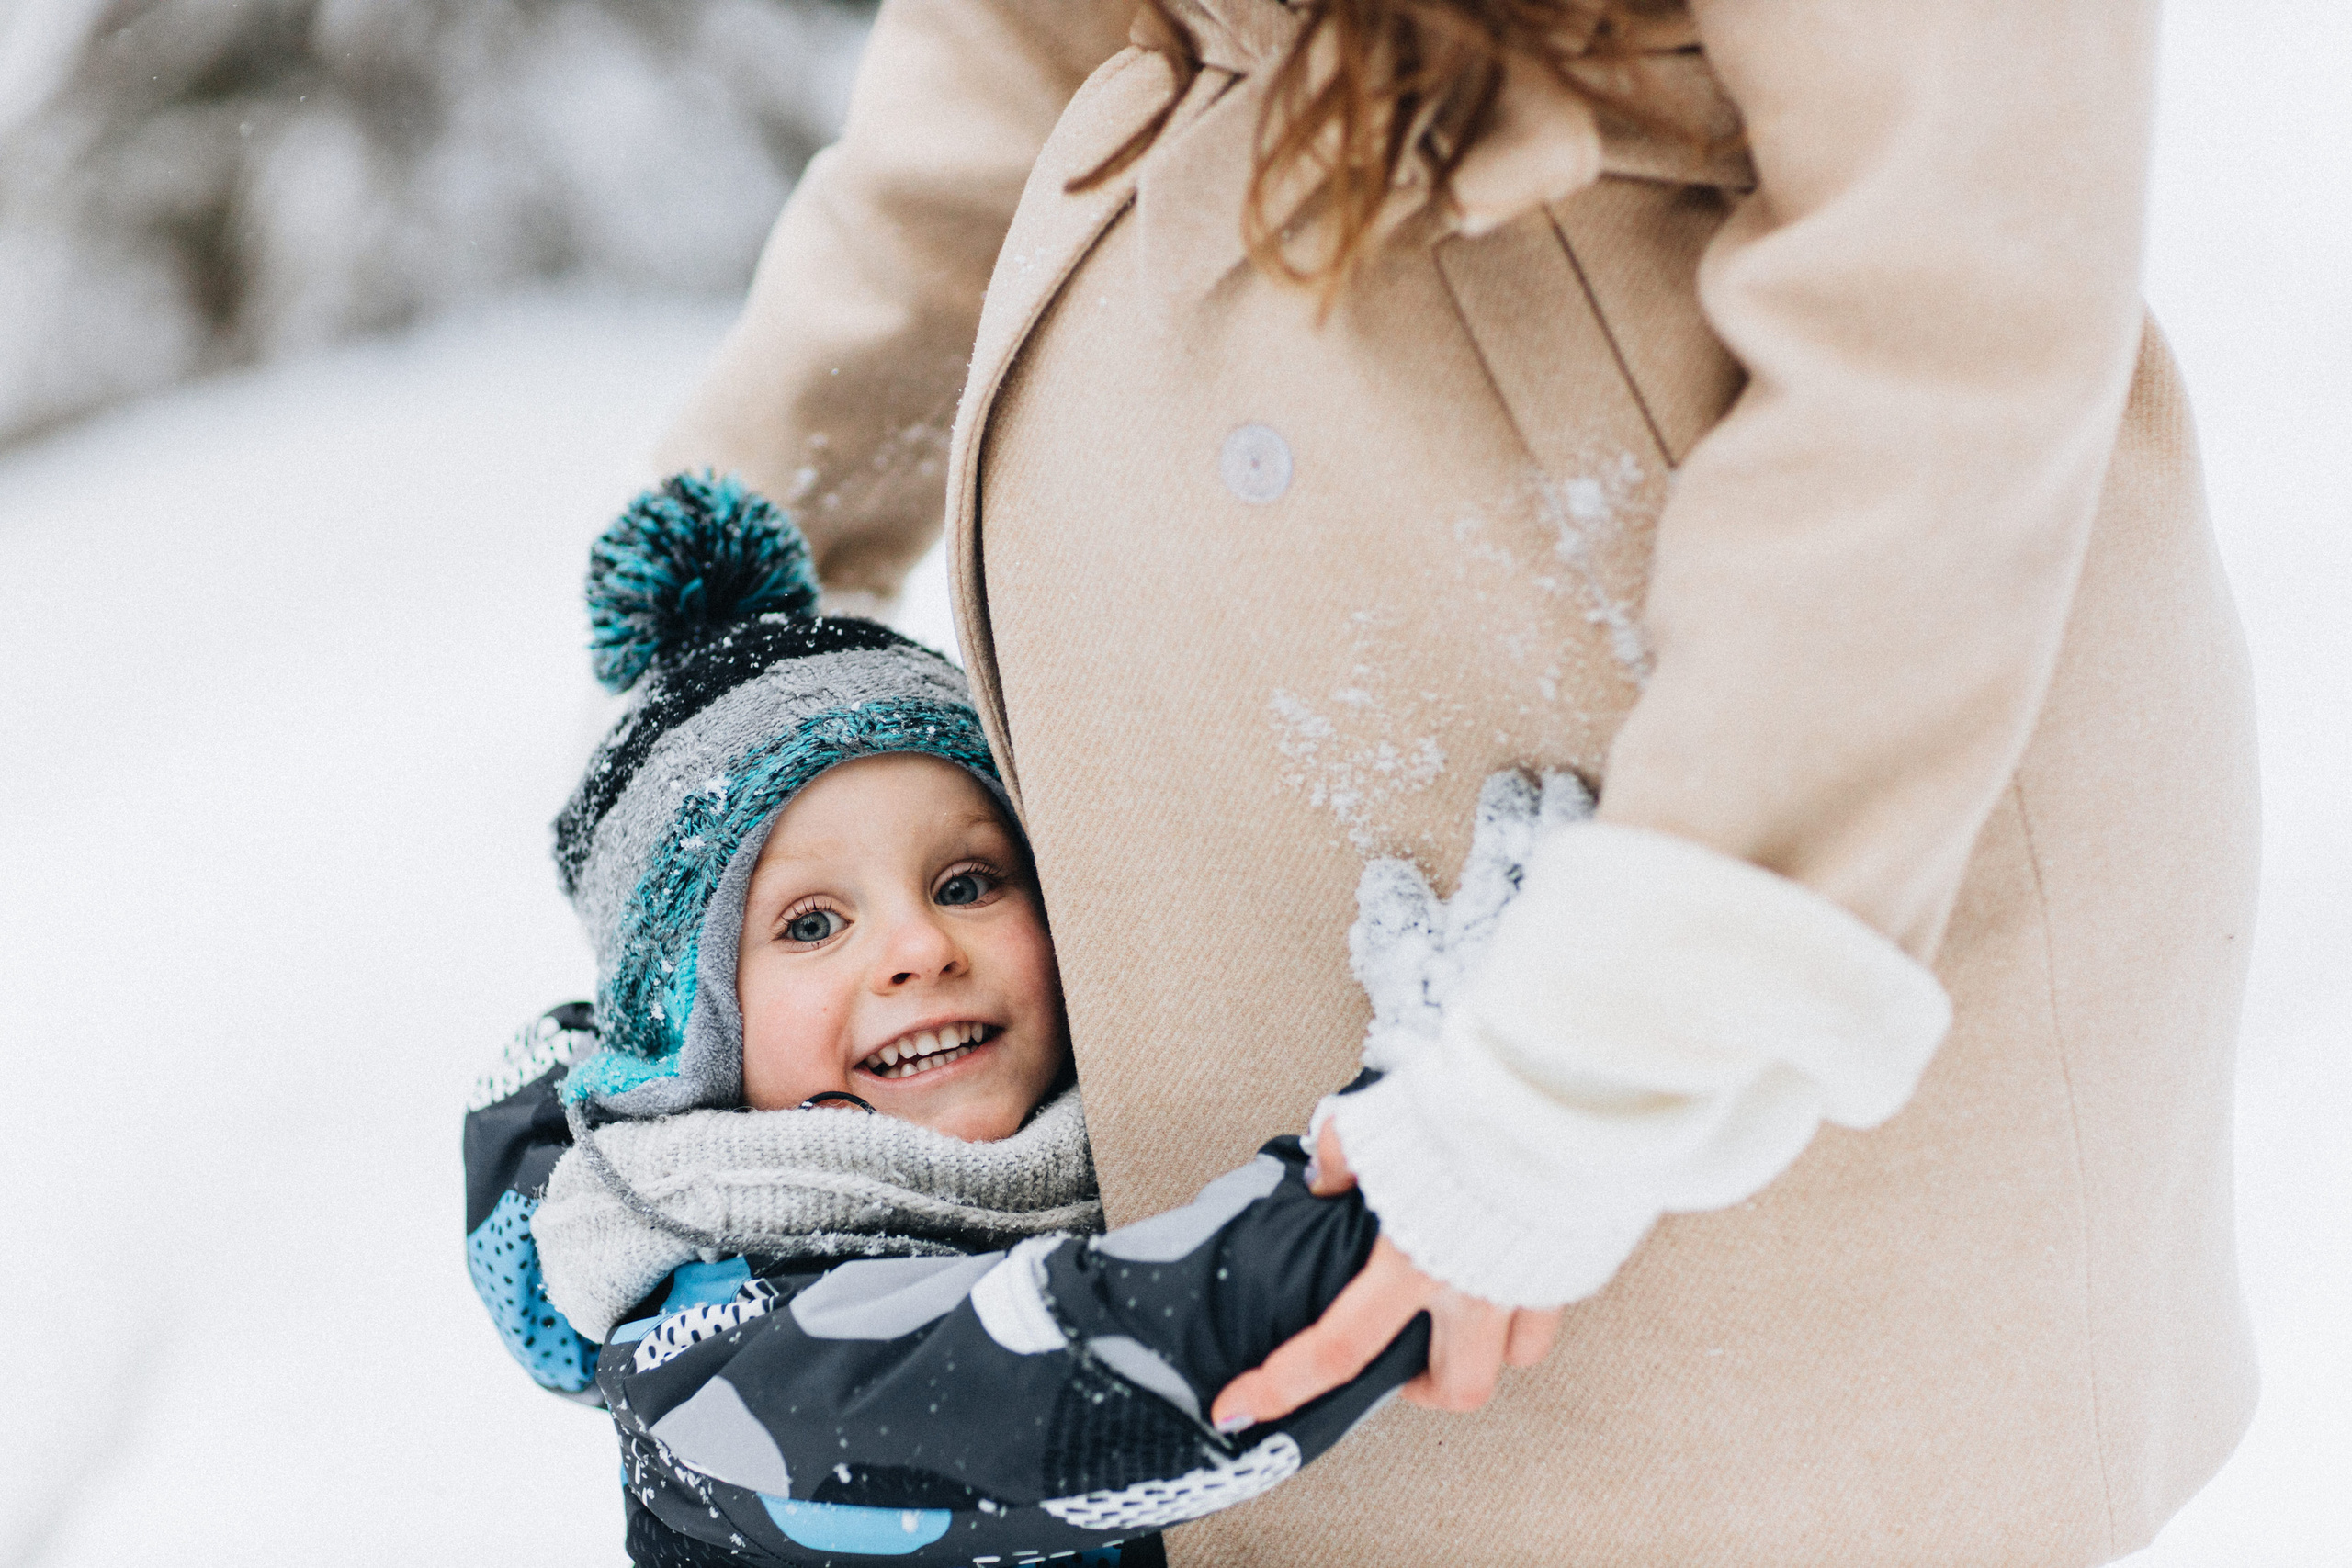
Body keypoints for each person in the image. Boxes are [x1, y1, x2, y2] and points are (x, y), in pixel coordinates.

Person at [652, 1, 2262, 1562]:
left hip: (1757, 805)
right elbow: (1012, 43)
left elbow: (1951, 265)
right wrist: (737, 548)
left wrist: (1602, 1070)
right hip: (1245, 892)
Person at [462, 476, 1445, 1567]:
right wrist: (1419, 1170)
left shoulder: (1097, 1159)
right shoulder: (709, 1343)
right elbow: (1054, 1383)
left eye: (969, 882)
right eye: (812, 923)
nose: (920, 949)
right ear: (690, 1032)